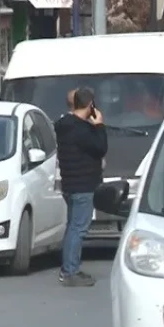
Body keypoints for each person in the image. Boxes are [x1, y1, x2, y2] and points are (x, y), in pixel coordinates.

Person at [55, 87, 108, 287]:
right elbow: (100, 147)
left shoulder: (63, 125)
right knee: (78, 228)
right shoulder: (82, 129)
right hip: (83, 185)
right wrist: (99, 126)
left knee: (72, 227)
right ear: (90, 105)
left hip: (70, 184)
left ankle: (70, 267)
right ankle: (70, 271)